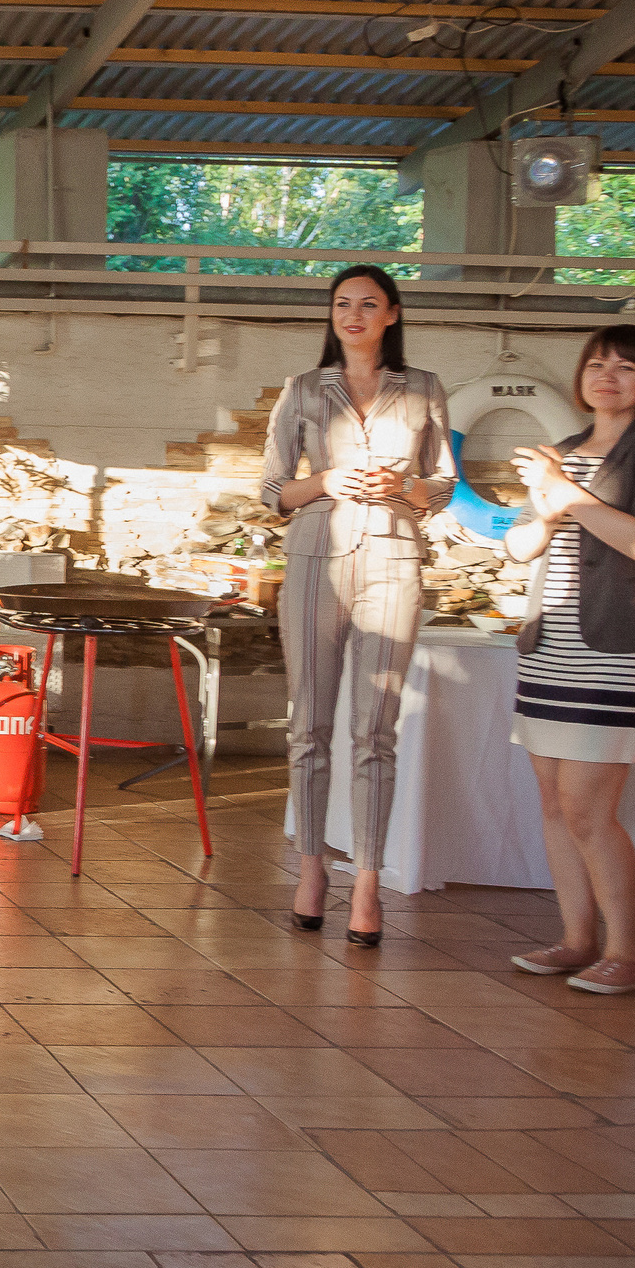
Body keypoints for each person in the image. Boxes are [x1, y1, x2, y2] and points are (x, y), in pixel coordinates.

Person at [258, 265, 454, 946]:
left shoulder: (423, 388)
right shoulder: (303, 389)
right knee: (309, 725)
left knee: (376, 731)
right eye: (343, 303)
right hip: (315, 559)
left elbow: (445, 485)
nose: (354, 313)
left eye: (369, 304)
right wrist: (326, 480)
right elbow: (273, 491)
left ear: (392, 314)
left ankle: (367, 884)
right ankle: (312, 870)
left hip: (395, 562)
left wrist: (407, 484)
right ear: (331, 314)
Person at [504, 326, 635, 996]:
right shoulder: (559, 453)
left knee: (587, 807)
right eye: (597, 363)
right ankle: (576, 939)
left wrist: (567, 493)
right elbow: (523, 546)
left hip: (619, 650)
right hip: (550, 649)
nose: (606, 375)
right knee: (554, 804)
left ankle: (627, 950)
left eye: (625, 366)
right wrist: (548, 507)